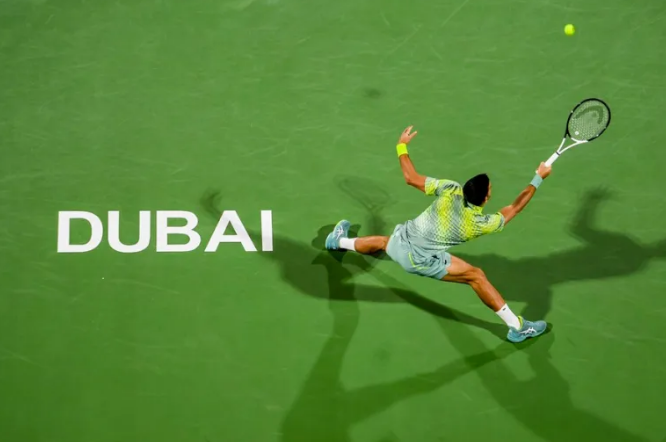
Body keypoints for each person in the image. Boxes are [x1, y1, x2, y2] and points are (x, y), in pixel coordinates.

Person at [325, 126, 552, 343]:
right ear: (485, 199)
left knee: (384, 242)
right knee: (476, 276)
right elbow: (514, 208)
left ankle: (338, 241)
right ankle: (517, 327)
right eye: (490, 190)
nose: (491, 191)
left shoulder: (451, 189)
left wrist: (401, 145)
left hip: (399, 241)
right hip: (418, 261)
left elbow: (411, 177)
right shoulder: (478, 223)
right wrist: (538, 177)